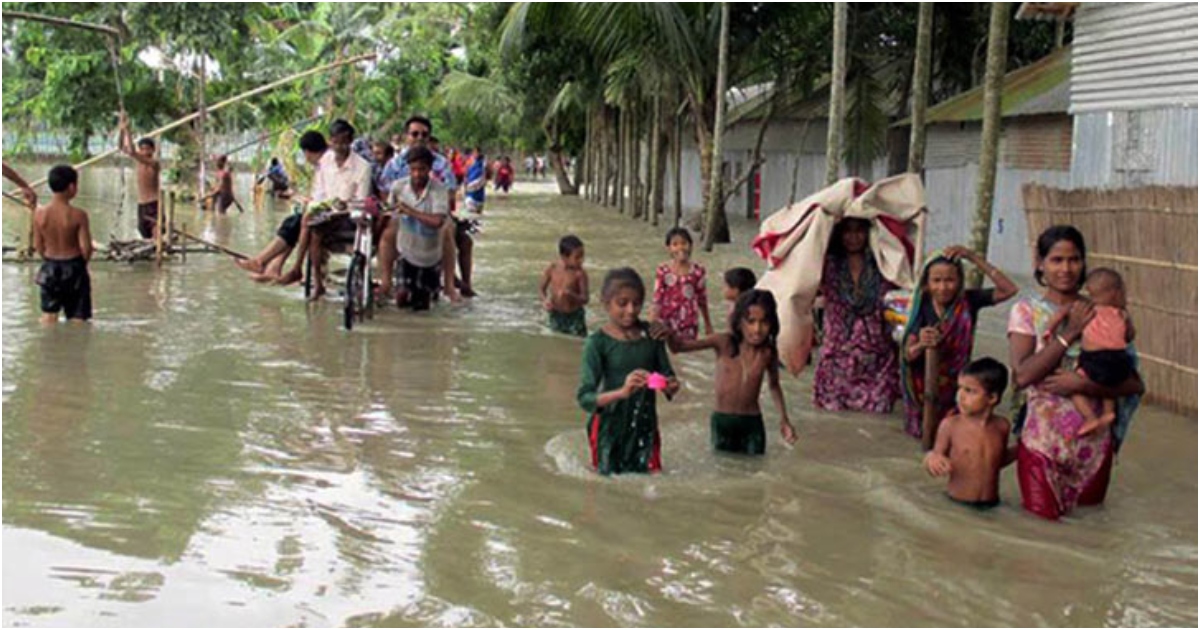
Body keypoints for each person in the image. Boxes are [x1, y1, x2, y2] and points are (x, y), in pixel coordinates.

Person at [1008, 225, 1144, 520]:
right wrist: (1070, 333)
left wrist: (1081, 384)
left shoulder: (1105, 310)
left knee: (1089, 532)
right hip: (1042, 442)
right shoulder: (1027, 311)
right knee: (1038, 531)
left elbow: (1133, 383)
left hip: (1093, 447)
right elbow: (1022, 377)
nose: (1066, 269)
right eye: (1057, 260)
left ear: (1084, 263)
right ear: (1040, 263)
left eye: (1074, 260)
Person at [901, 245, 1018, 440]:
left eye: (950, 280)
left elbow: (1010, 289)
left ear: (959, 281)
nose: (943, 287)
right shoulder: (921, 308)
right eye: (936, 281)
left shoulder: (968, 301)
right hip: (924, 386)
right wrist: (922, 343)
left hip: (957, 384)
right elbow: (908, 354)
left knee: (957, 434)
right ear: (926, 284)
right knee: (926, 436)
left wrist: (973, 257)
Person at [665, 290, 797, 454]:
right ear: (739, 322)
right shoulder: (724, 343)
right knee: (723, 472)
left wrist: (784, 420)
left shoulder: (767, 352)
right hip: (722, 421)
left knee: (755, 473)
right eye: (751, 321)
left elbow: (774, 386)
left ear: (772, 324)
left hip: (752, 424)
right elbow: (679, 348)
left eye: (764, 322)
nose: (757, 329)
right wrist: (669, 334)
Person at [577, 268, 680, 475]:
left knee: (650, 482)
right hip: (608, 428)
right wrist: (622, 392)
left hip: (645, 426)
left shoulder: (652, 335)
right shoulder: (597, 344)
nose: (631, 310)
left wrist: (670, 386)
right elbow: (585, 398)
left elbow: (669, 379)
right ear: (605, 303)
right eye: (622, 303)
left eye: (637, 303)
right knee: (607, 485)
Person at [812, 218, 900, 413]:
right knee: (833, 421)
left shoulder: (884, 264)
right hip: (837, 356)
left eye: (859, 231)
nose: (854, 238)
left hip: (877, 357)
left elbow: (901, 295)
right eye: (848, 231)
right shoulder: (826, 264)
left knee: (878, 419)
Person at [277, 119, 372, 300]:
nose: (340, 146)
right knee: (313, 226)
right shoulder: (325, 162)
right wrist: (320, 205)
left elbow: (361, 200)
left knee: (310, 221)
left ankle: (297, 268)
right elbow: (318, 192)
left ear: (350, 141)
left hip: (348, 217)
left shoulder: (362, 167)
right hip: (325, 214)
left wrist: (341, 206)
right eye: (336, 142)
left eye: (344, 142)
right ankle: (316, 282)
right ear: (331, 141)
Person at [1044, 268, 1136, 439]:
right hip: (1120, 359)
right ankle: (1108, 412)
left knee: (1074, 385)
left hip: (1094, 359)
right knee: (1110, 384)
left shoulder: (1086, 308)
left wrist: (1050, 329)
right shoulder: (1122, 313)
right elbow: (1130, 335)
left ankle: (1090, 418)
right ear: (1116, 293)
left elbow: (1060, 314)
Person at [378, 115, 461, 302]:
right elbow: (385, 193)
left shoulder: (441, 164)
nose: (419, 138)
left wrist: (422, 210)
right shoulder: (394, 164)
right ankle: (385, 282)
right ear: (406, 135)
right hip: (401, 213)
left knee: (447, 229)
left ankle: (448, 286)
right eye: (414, 134)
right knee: (388, 229)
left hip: (434, 209)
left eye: (424, 134)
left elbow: (449, 195)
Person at [922, 357, 1015, 510]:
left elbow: (997, 462)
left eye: (970, 391)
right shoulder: (951, 425)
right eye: (960, 388)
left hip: (991, 504)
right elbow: (936, 455)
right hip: (958, 503)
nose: (960, 396)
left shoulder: (1002, 426)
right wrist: (932, 460)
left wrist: (1020, 449)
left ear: (992, 398)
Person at [236, 131, 327, 281]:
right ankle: (273, 267)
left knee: (295, 223)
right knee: (292, 222)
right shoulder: (322, 166)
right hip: (318, 209)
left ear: (308, 152)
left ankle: (262, 262)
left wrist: (305, 201)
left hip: (325, 213)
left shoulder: (326, 165)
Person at [389, 146, 449, 312]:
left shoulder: (439, 190)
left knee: (422, 306)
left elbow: (437, 221)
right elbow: (389, 212)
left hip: (430, 257)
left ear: (430, 169)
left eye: (421, 169)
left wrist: (411, 211)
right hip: (405, 252)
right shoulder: (398, 187)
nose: (417, 174)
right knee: (401, 297)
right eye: (413, 169)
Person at [32, 165, 93, 324]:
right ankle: (76, 348)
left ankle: (48, 347)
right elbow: (86, 248)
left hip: (50, 267)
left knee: (48, 316)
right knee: (78, 318)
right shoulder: (79, 215)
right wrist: (80, 265)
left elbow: (38, 245)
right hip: (73, 265)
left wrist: (48, 260)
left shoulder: (39, 215)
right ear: (72, 187)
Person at [651, 227, 713, 342]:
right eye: (675, 244)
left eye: (684, 243)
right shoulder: (663, 271)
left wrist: (708, 324)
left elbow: (702, 299)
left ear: (690, 245)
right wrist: (653, 323)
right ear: (669, 248)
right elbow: (657, 300)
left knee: (687, 351)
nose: (680, 248)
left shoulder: (698, 271)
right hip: (666, 321)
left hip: (689, 322)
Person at [117, 112, 161, 239]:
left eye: (148, 149)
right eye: (142, 149)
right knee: (144, 233)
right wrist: (121, 129)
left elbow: (131, 151)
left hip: (154, 204)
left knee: (156, 235)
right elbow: (121, 147)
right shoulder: (139, 161)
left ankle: (159, 253)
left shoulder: (154, 163)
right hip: (141, 204)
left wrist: (128, 129)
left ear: (153, 150)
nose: (145, 151)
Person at [540, 235, 589, 336]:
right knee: (557, 342)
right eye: (577, 257)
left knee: (578, 343)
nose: (581, 260)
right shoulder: (553, 268)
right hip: (555, 314)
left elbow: (585, 299)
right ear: (564, 257)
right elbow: (541, 289)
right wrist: (545, 301)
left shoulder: (580, 274)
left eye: (582, 256)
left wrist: (570, 294)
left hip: (574, 317)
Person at [464, 147, 487, 215]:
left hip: (479, 193)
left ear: (479, 153)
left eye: (475, 152)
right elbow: (466, 175)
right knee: (472, 214)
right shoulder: (470, 162)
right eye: (473, 152)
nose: (474, 154)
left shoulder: (483, 163)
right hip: (471, 193)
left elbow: (485, 175)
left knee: (477, 214)